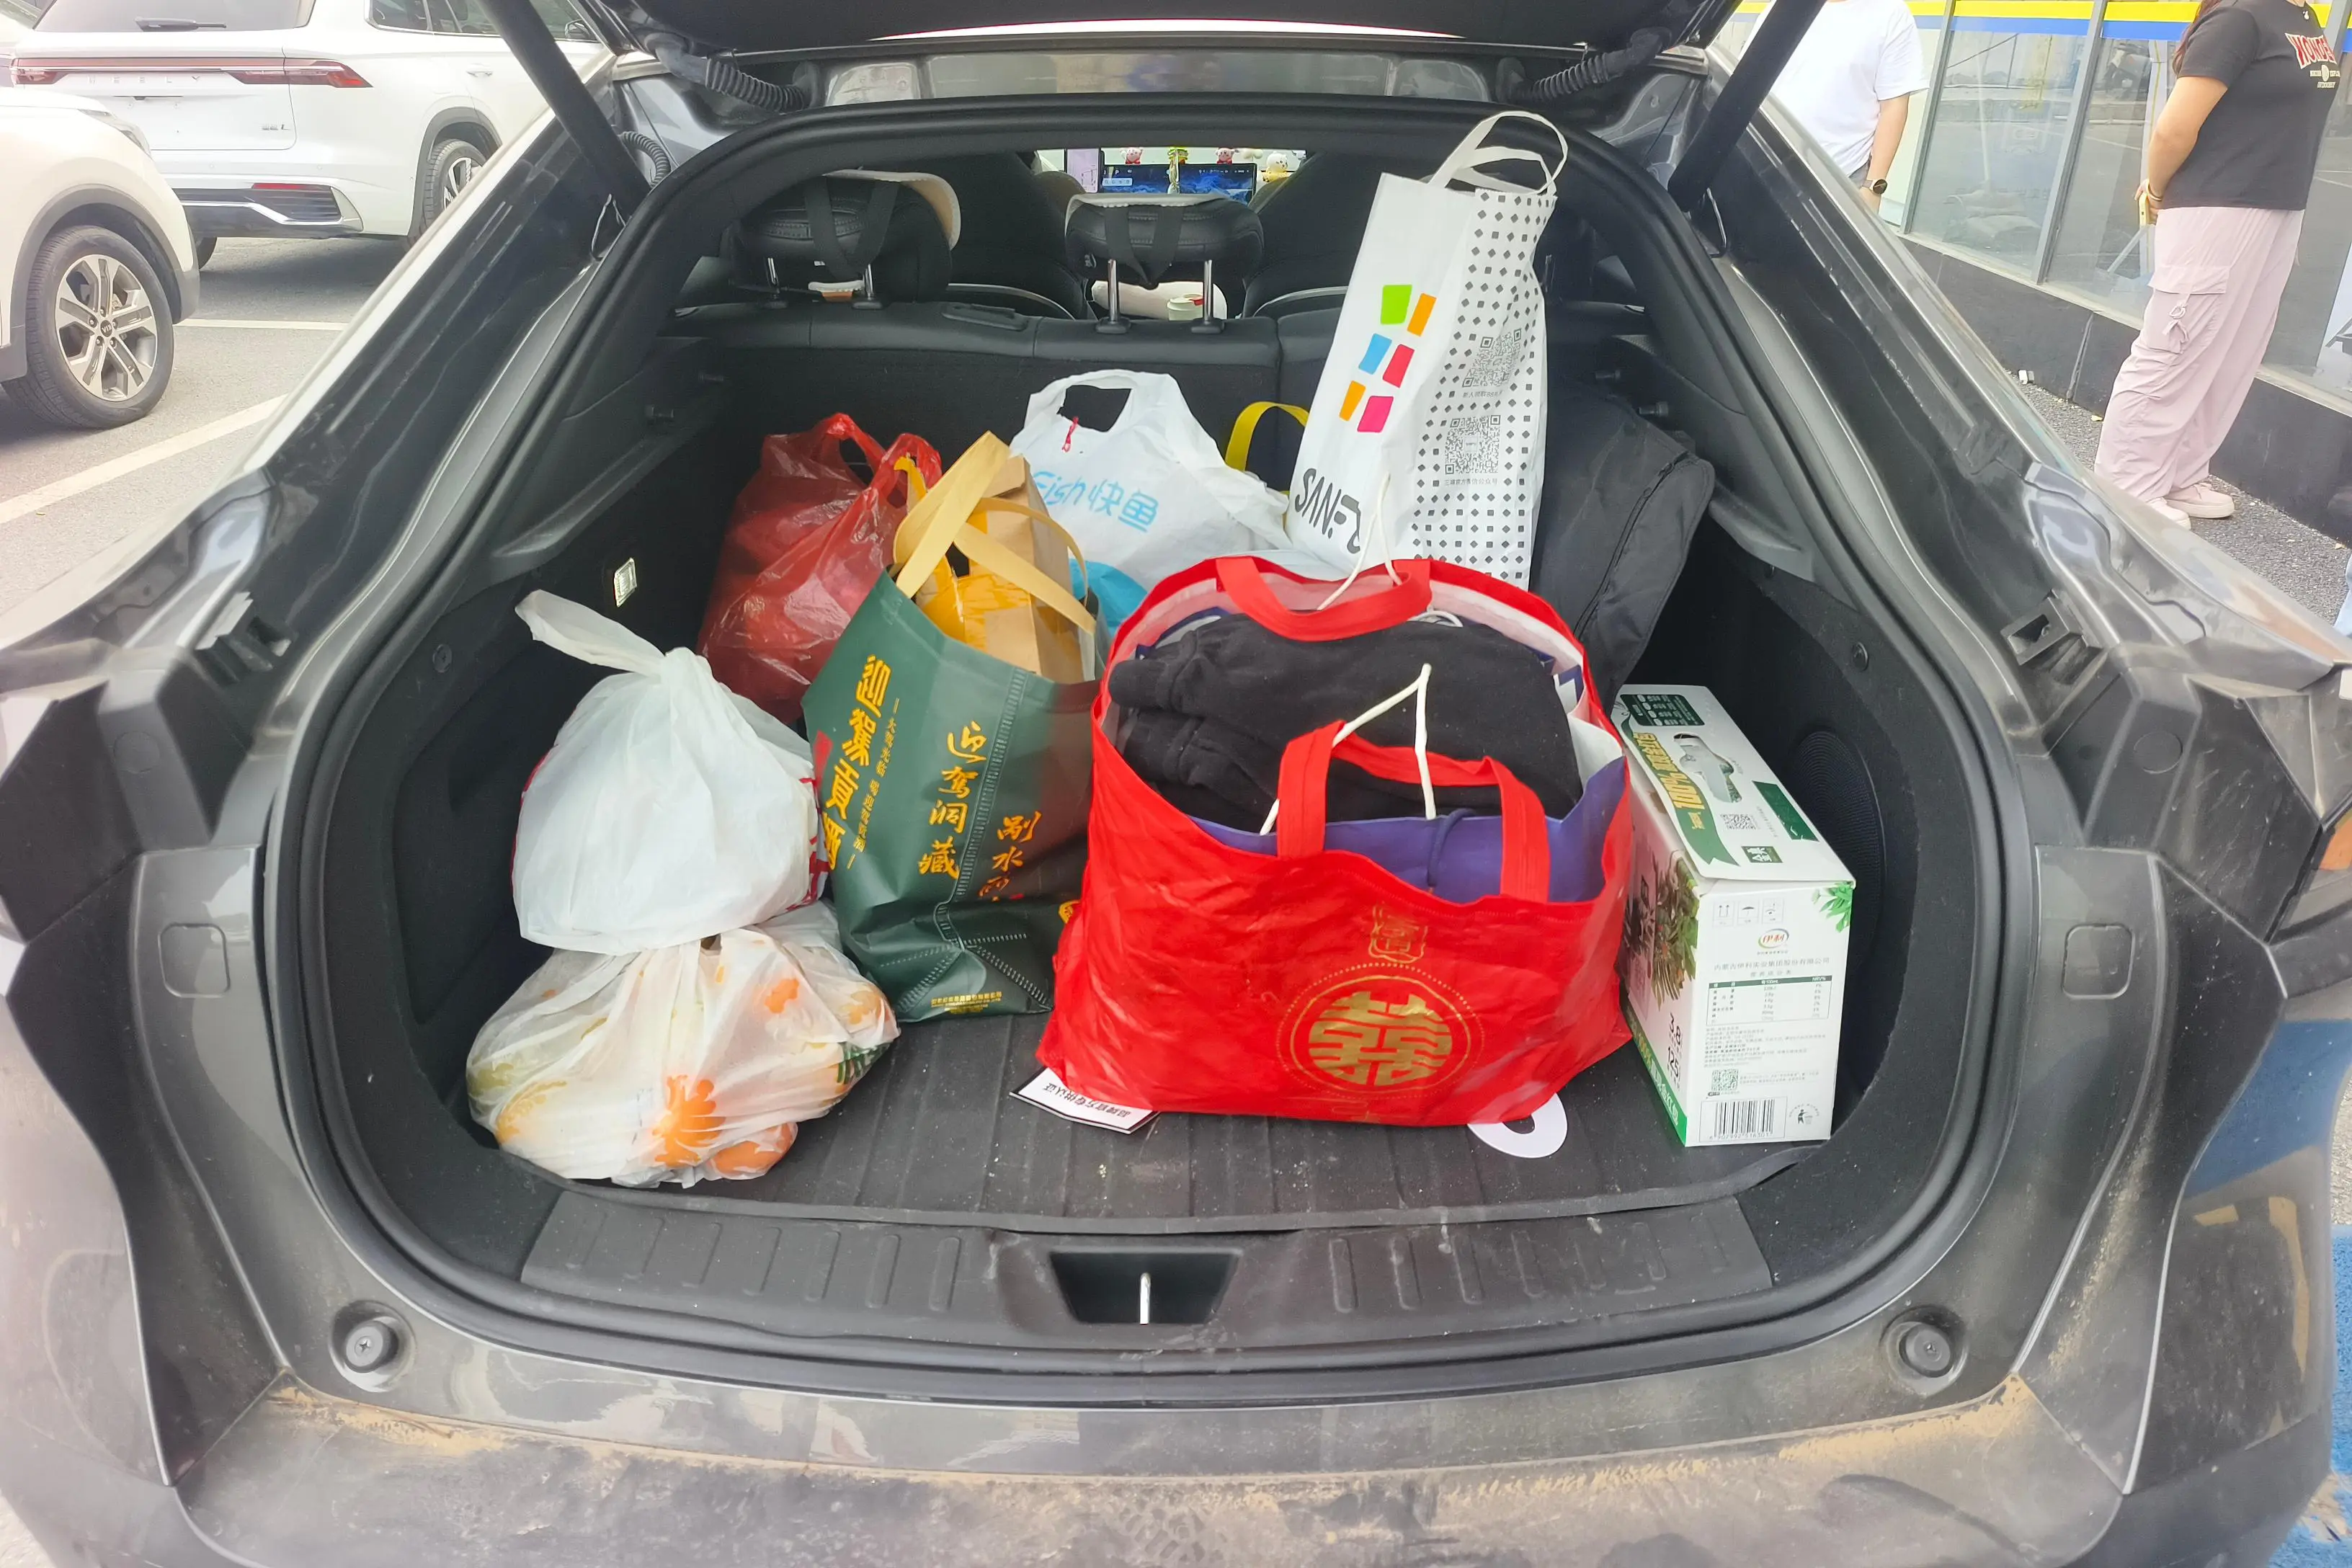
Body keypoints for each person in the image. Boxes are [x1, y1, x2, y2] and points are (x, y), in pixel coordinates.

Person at [2095, 0, 2342, 525]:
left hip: (2275, 208)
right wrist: (2156, 190)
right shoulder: (2240, 16)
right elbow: (2173, 129)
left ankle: (2179, 475)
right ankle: (2127, 484)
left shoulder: (2303, 15)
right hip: (2217, 205)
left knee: (2231, 353)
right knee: (2176, 348)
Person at [1769, 0, 1929, 208]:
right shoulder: (1784, 7)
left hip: (1841, 177)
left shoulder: (1890, 13)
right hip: (1768, 160)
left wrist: (1873, 188)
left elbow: (1894, 106)